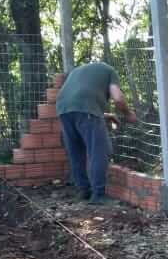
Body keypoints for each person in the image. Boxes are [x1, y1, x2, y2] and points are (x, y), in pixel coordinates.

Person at [56, 61, 137, 205]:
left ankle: (84, 190)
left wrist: (105, 115)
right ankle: (98, 195)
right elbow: (118, 99)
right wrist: (128, 114)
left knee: (76, 151)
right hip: (85, 109)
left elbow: (78, 105)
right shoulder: (110, 70)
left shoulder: (78, 71)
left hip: (63, 109)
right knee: (99, 151)